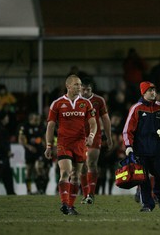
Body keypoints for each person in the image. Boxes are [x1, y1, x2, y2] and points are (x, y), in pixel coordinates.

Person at [44, 74, 97, 215]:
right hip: (64, 143)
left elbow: (93, 123)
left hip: (80, 144)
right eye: (76, 85)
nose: (79, 87)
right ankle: (64, 203)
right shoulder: (57, 103)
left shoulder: (86, 103)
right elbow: (50, 126)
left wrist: (91, 136)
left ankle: (71, 206)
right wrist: (49, 145)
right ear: (68, 86)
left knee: (75, 175)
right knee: (65, 172)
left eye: (80, 84)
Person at [123, 81, 160, 212]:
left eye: (154, 90)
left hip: (156, 150)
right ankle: (148, 205)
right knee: (144, 179)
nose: (153, 93)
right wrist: (128, 146)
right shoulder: (136, 108)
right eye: (150, 90)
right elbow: (127, 130)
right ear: (143, 93)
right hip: (140, 150)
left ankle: (158, 195)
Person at [80, 77, 113, 204]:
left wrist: (109, 137)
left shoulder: (98, 100)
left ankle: (91, 194)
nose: (85, 92)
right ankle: (84, 194)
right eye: (83, 90)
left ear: (91, 89)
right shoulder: (75, 100)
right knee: (81, 166)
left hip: (95, 135)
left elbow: (106, 119)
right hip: (79, 136)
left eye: (88, 90)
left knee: (91, 163)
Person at [18, 112, 48, 194]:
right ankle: (29, 190)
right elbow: (20, 139)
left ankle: (41, 189)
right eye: (35, 119)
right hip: (29, 152)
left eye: (38, 119)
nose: (37, 121)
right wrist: (29, 146)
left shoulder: (41, 126)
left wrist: (46, 146)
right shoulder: (24, 127)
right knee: (29, 171)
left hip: (39, 151)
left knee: (38, 167)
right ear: (31, 119)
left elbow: (45, 137)